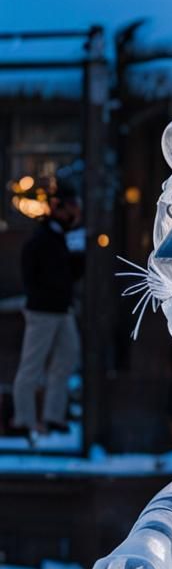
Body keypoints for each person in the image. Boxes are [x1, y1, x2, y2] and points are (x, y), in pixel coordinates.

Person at [10, 180, 84, 441]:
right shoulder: (41, 239)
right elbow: (31, 275)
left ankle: (53, 415)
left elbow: (75, 273)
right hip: (43, 311)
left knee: (66, 360)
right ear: (57, 207)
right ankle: (24, 418)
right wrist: (44, 295)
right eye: (70, 207)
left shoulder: (65, 237)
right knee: (32, 365)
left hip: (62, 309)